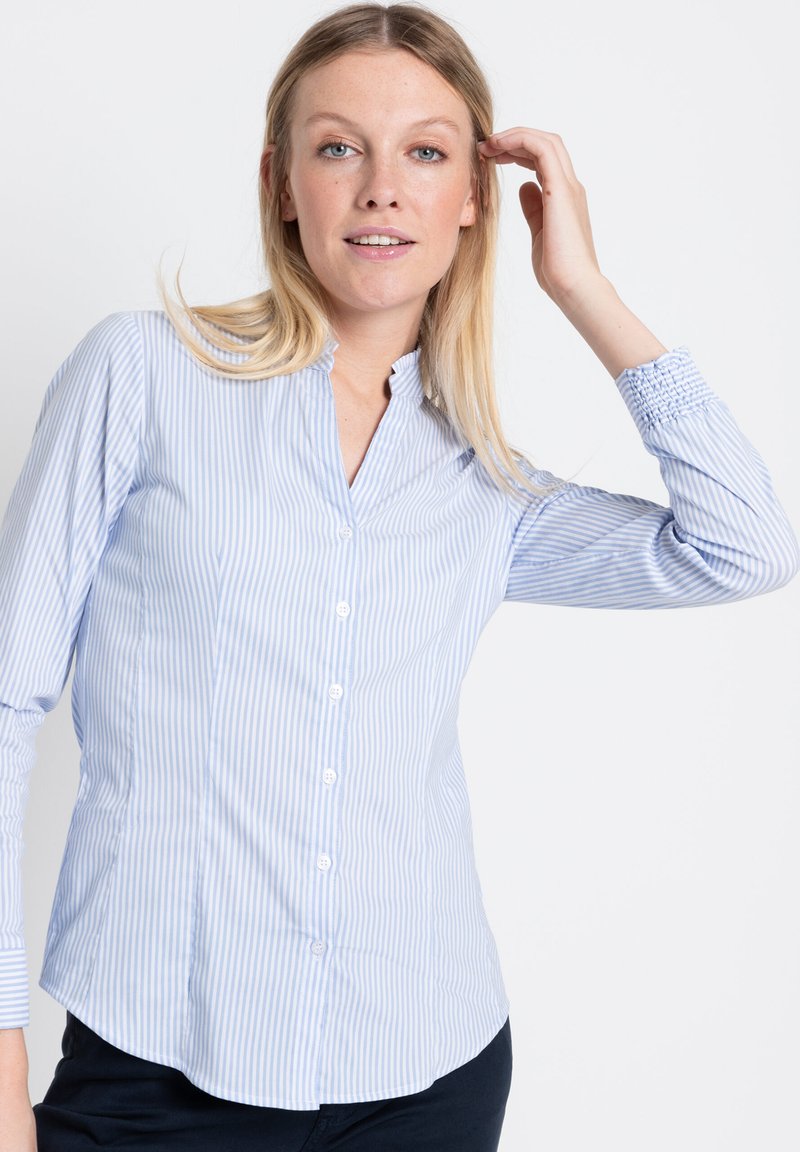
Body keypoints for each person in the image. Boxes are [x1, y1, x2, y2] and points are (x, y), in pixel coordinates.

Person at [1, 2, 797, 1150]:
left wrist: (578, 283)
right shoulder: (142, 379)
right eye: (338, 148)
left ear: (472, 194)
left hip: (427, 1075)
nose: (381, 188)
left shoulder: (480, 483)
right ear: (280, 183)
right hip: (158, 1075)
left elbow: (743, 547)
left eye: (425, 152)